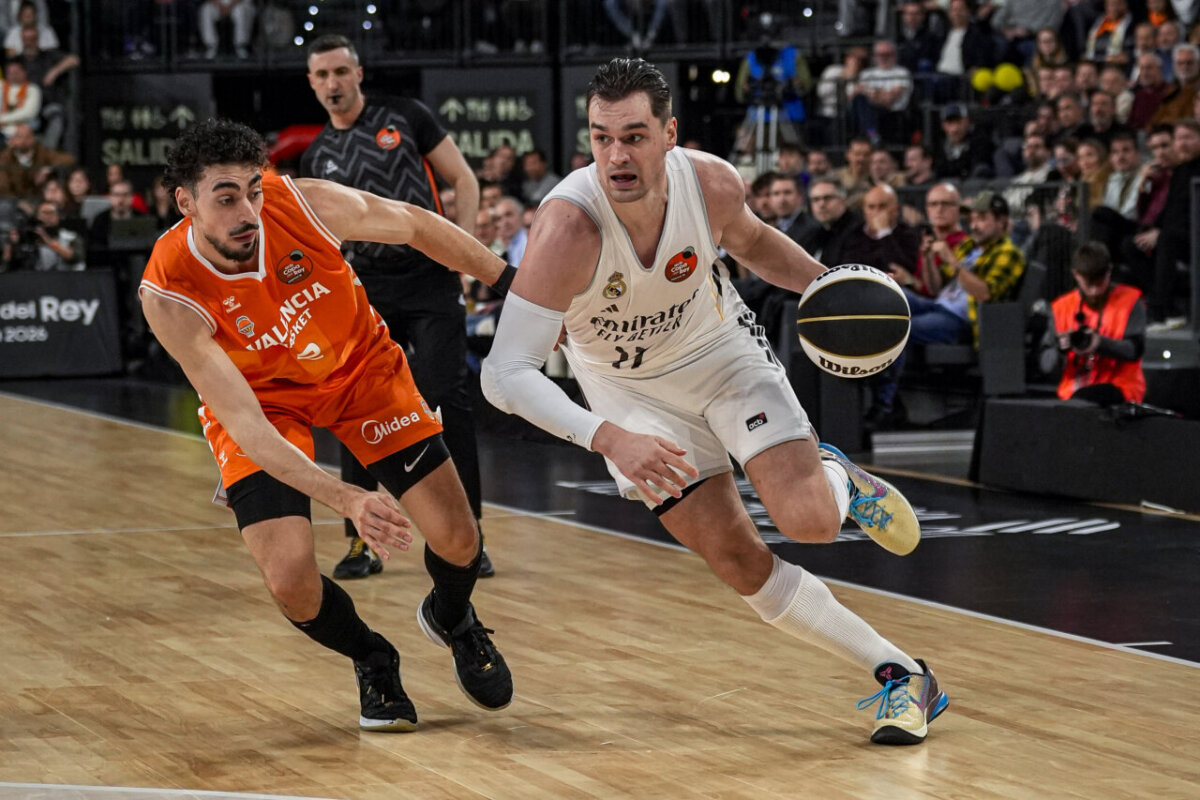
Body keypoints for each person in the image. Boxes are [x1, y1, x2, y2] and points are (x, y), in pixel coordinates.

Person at [481, 57, 948, 746]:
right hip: (629, 399)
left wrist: (835, 291)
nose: (616, 155)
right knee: (737, 562)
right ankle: (905, 675)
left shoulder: (710, 184)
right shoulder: (567, 229)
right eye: (601, 137)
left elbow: (755, 244)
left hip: (721, 358)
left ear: (670, 133)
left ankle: (838, 477)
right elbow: (504, 374)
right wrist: (609, 437)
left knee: (812, 522)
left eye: (634, 136)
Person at [138, 117, 514, 733]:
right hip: (267, 406)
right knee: (291, 582)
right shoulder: (168, 292)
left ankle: (454, 619)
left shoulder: (302, 204)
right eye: (225, 198)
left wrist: (511, 282)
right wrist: (347, 498)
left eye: (252, 191)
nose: (248, 211)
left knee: (458, 540)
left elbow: (416, 225)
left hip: (361, 372)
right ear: (186, 204)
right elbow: (248, 426)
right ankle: (373, 657)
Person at [299, 34, 494, 579]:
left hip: (431, 279)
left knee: (446, 398)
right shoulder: (317, 156)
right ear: (311, 84)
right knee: (356, 406)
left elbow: (464, 178)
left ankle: (470, 538)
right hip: (364, 291)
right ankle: (363, 543)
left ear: (358, 73)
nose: (333, 83)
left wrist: (464, 250)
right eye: (322, 75)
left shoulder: (406, 117)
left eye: (341, 71)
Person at [867, 190, 1026, 428]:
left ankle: (886, 407)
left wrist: (952, 260)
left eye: (982, 218)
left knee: (898, 326)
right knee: (885, 293)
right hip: (937, 305)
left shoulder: (1009, 253)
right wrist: (928, 257)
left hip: (961, 321)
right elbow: (935, 286)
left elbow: (985, 294)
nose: (975, 225)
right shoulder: (970, 247)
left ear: (1001, 221)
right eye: (972, 219)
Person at [1049, 241, 1146, 403]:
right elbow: (1046, 364)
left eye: (1099, 283)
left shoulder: (1130, 300)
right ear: (1076, 275)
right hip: (1072, 392)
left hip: (1120, 388)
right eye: (1088, 284)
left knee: (1089, 399)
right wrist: (1060, 348)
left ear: (1109, 272)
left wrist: (1100, 344)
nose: (1094, 291)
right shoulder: (1060, 308)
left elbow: (1135, 350)